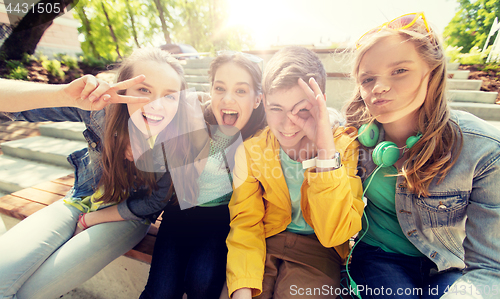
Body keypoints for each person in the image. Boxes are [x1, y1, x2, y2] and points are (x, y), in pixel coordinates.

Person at [0, 47, 200, 299]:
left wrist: (89, 221)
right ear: (123, 89)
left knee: (29, 294)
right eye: (144, 90)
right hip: (79, 201)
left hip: (128, 217)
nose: (155, 104)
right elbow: (10, 108)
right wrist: (64, 94)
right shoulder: (100, 112)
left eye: (170, 96)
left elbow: (153, 202)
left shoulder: (180, 136)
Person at [345, 12, 500, 299]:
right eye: (368, 79)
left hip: (450, 265)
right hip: (380, 258)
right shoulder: (354, 140)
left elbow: (490, 266)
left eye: (399, 71)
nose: (378, 87)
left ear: (433, 71)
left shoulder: (484, 149)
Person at [226, 46, 364, 299]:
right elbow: (246, 223)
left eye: (302, 109)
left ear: (320, 102)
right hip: (264, 243)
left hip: (319, 250)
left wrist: (324, 154)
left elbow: (335, 233)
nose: (288, 123)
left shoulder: (343, 148)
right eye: (276, 108)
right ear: (264, 102)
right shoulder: (251, 151)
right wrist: (242, 287)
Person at [139, 52, 266, 299]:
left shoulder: (260, 137)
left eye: (241, 91)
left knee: (203, 281)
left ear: (258, 98)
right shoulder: (192, 118)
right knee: (161, 292)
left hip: (221, 218)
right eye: (220, 88)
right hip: (180, 211)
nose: (227, 99)